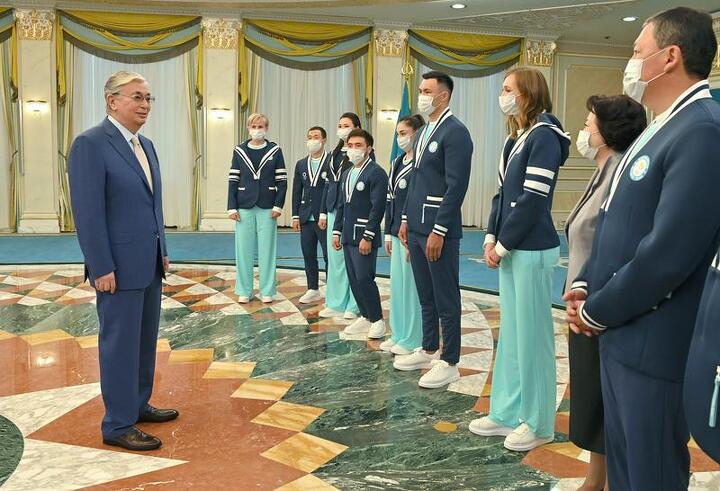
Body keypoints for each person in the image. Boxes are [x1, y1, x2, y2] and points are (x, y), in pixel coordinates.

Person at [564, 7, 720, 488]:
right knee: (626, 470)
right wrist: (587, 284)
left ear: (670, 56)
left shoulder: (702, 129)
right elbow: (618, 223)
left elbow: (668, 252)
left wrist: (598, 310)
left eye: (637, 51)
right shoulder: (662, 125)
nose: (630, 63)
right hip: (623, 333)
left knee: (650, 475)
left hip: (654, 342)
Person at [68, 71, 177, 451]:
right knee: (119, 345)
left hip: (148, 262)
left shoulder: (146, 145)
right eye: (137, 97)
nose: (145, 105)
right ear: (112, 101)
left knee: (144, 342)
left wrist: (162, 249)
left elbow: (152, 204)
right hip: (116, 267)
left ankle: (137, 404)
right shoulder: (90, 144)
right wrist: (100, 266)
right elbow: (88, 212)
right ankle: (117, 424)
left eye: (148, 98)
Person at [469, 67, 570, 452]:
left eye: (509, 88)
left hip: (531, 248)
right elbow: (501, 195)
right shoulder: (516, 137)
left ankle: (539, 422)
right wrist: (490, 235)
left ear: (528, 93)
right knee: (511, 335)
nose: (503, 95)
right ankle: (507, 411)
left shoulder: (545, 136)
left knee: (533, 339)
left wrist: (503, 245)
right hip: (512, 246)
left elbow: (532, 199)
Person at [565, 95, 647, 489]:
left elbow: (612, 244)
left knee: (602, 400)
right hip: (581, 300)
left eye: (589, 123)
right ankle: (595, 477)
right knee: (590, 397)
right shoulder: (602, 169)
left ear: (608, 131)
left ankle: (607, 480)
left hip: (599, 304)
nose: (584, 128)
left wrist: (589, 297)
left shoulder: (619, 171)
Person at [394, 71, 473, 389]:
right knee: (425, 294)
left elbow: (456, 186)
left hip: (437, 229)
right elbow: (415, 179)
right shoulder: (424, 130)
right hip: (415, 225)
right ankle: (428, 348)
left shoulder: (456, 132)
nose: (422, 96)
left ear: (444, 96)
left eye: (427, 91)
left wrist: (439, 229)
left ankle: (450, 361)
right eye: (421, 90)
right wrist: (404, 218)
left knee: (445, 297)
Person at [332, 129, 388, 339]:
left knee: (365, 278)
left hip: (364, 236)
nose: (353, 149)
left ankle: (377, 320)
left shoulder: (376, 173)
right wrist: (336, 231)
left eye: (358, 145)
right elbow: (341, 205)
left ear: (368, 149)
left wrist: (368, 236)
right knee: (354, 278)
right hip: (347, 235)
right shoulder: (347, 173)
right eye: (350, 146)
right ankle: (365, 316)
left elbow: (377, 207)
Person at [227, 113, 287, 303]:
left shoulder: (275, 150)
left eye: (260, 126)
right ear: (248, 128)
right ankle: (244, 290)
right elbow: (233, 180)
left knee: (267, 250)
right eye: (254, 126)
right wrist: (231, 207)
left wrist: (278, 205)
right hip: (243, 205)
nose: (257, 130)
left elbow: (282, 181)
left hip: (268, 207)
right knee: (243, 251)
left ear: (266, 128)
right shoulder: (239, 150)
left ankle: (267, 290)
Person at [379, 114, 425, 356]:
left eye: (404, 133)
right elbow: (390, 200)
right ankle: (398, 333)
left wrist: (412, 234)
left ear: (416, 134)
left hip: (411, 233)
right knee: (397, 286)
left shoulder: (421, 161)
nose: (400, 138)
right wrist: (388, 233)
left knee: (411, 287)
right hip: (396, 231)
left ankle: (413, 337)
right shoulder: (397, 162)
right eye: (398, 134)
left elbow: (417, 199)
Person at [318, 113, 364, 320]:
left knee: (351, 261)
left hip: (351, 212)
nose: (342, 129)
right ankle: (336, 302)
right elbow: (327, 185)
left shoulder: (362, 154)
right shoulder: (333, 154)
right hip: (333, 211)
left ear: (356, 127)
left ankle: (354, 305)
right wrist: (323, 212)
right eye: (340, 125)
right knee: (335, 259)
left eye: (346, 125)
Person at [292, 126, 331, 304]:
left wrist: (327, 213)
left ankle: (332, 288)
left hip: (324, 217)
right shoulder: (301, 164)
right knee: (308, 254)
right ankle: (312, 288)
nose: (312, 140)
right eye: (310, 137)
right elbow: (296, 191)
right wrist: (295, 216)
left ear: (324, 140)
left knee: (328, 256)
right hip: (306, 217)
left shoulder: (331, 161)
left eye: (316, 137)